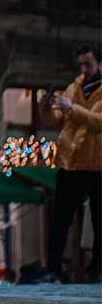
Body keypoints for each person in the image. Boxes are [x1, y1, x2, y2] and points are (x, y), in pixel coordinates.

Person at [40, 42, 102, 282]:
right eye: (81, 65)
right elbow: (55, 119)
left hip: (97, 165)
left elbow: (98, 122)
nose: (84, 69)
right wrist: (46, 107)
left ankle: (97, 270)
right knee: (60, 220)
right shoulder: (73, 86)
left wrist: (72, 108)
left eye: (88, 64)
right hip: (71, 163)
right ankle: (52, 268)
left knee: (99, 222)